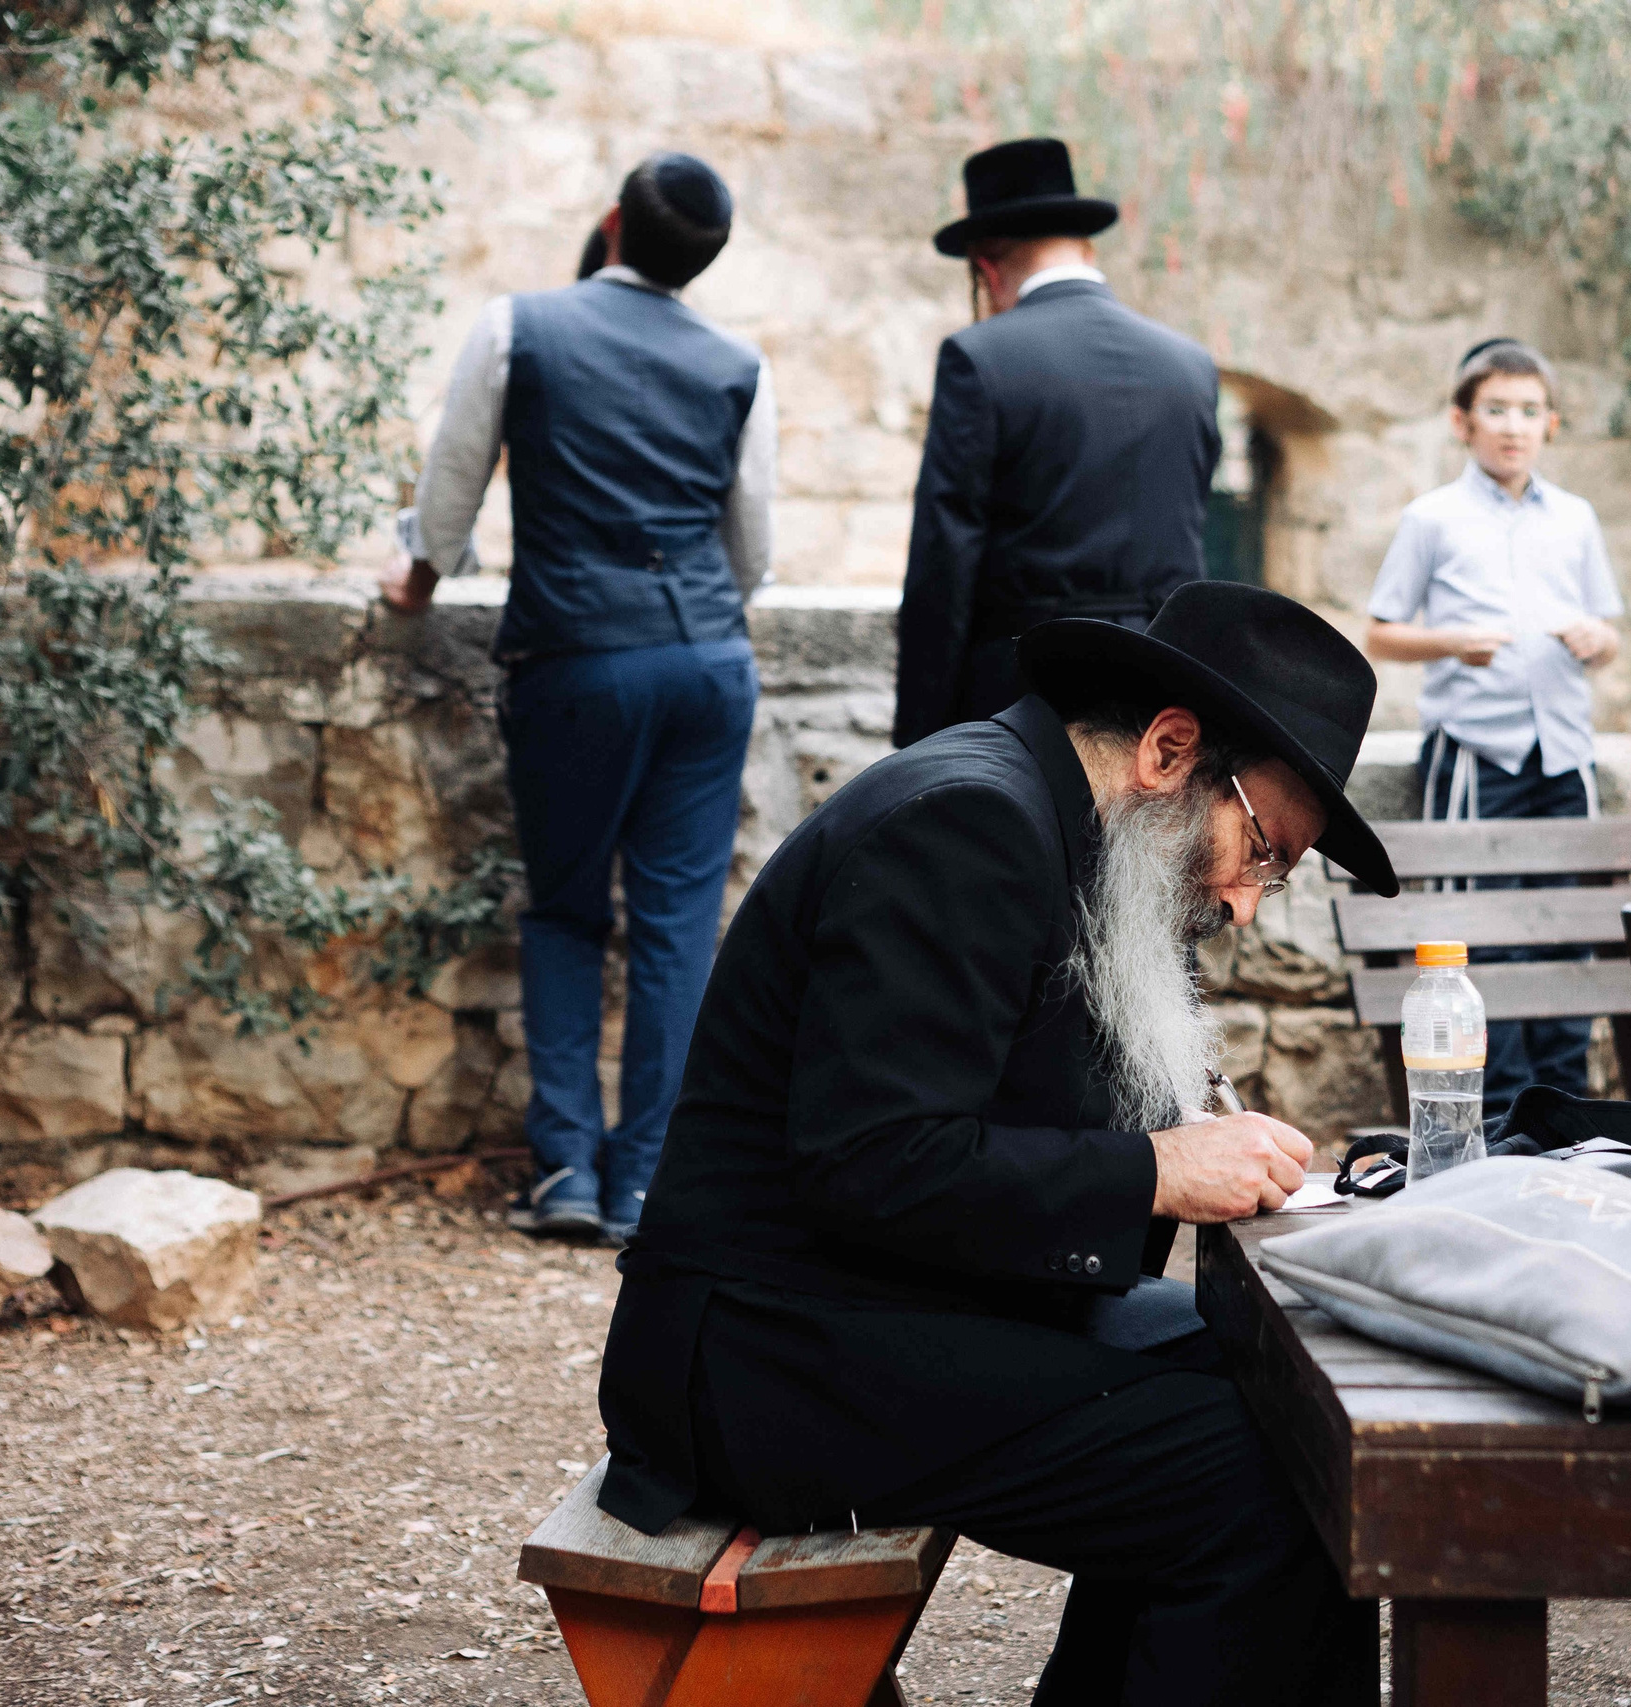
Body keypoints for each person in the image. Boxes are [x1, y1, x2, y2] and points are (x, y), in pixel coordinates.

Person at [595, 581, 1398, 1707]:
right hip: (770, 1353)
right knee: (1256, 1484)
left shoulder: (1064, 826)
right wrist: (1161, 1168)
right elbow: (872, 1162)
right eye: (1262, 852)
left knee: (1282, 1390)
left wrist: (1184, 1142)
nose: (1246, 903)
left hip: (879, 1305)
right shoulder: (965, 823)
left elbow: (998, 1110)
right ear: (1170, 750)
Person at [379, 153, 778, 1246]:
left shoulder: (521, 328)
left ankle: (564, 1173)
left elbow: (451, 491)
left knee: (564, 909)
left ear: (611, 224)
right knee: (677, 930)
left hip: (576, 661)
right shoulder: (740, 363)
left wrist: (415, 582)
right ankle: (645, 1182)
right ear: (705, 258)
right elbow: (755, 554)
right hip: (707, 664)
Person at [1364, 337, 1625, 1123]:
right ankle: (1501, 1114)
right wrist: (1453, 642)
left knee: (1568, 938)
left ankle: (1564, 1109)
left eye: (1529, 411)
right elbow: (1380, 632)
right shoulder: (1431, 518)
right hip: (1476, 757)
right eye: (1496, 410)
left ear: (1551, 423)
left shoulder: (1576, 520)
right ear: (1462, 421)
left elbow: (1609, 632)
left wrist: (1597, 640)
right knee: (1480, 940)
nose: (1514, 427)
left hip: (1564, 758)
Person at [892, 136, 1221, 748]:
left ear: (987, 269)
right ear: (1084, 247)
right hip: (1159, 694)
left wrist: (920, 733)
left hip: (1021, 697)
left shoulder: (980, 358)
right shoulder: (1191, 365)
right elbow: (1186, 531)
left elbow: (946, 556)